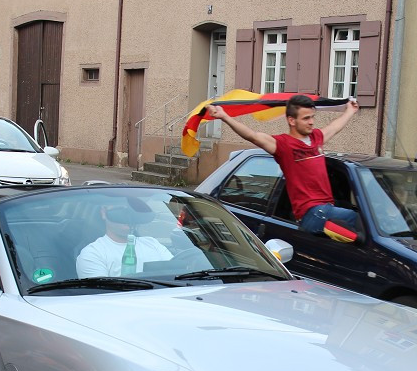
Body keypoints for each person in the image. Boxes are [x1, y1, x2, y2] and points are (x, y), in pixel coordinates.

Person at [207, 94, 360, 242]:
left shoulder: (316, 139)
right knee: (360, 221)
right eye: (306, 118)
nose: (312, 122)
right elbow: (252, 135)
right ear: (291, 120)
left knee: (361, 221)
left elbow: (334, 127)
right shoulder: (284, 145)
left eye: (313, 117)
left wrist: (350, 111)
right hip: (312, 215)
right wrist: (224, 116)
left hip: (326, 210)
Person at [76, 205, 173, 278]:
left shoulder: (152, 243)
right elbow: (101, 296)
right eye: (120, 209)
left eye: (129, 210)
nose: (126, 216)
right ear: (103, 213)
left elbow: (176, 273)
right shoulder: (92, 253)